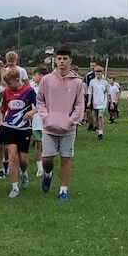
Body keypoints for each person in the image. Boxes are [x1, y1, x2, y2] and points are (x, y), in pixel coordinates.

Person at [36, 48, 85, 201]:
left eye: (65, 58)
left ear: (70, 60)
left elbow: (79, 105)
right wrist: (46, 117)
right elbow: (40, 100)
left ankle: (63, 190)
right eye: (59, 58)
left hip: (68, 129)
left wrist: (71, 121)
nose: (62, 62)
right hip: (49, 127)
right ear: (55, 60)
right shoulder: (46, 80)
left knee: (66, 158)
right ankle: (48, 174)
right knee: (47, 159)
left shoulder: (77, 82)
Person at [0, 67, 37, 198]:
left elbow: (40, 105)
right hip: (9, 127)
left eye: (9, 83)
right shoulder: (6, 92)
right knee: (12, 154)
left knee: (23, 159)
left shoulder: (29, 91)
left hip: (24, 128)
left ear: (17, 80)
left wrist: (32, 112)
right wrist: (1, 123)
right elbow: (2, 109)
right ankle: (14, 187)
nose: (8, 86)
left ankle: (24, 172)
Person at [29, 65, 49, 178]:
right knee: (38, 144)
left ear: (41, 75)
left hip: (47, 120)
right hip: (36, 120)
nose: (33, 77)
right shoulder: (31, 86)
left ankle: (48, 167)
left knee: (47, 146)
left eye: (35, 75)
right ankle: (40, 168)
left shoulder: (50, 88)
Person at [88, 65, 109, 140]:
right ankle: (98, 129)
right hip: (95, 102)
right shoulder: (92, 82)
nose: (98, 73)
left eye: (100, 72)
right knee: (96, 117)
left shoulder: (105, 82)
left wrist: (110, 102)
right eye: (97, 72)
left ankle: (101, 132)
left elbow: (107, 92)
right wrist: (89, 101)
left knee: (100, 116)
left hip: (102, 102)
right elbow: (90, 92)